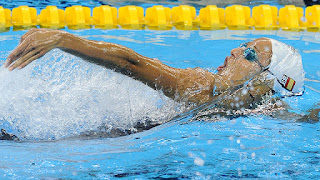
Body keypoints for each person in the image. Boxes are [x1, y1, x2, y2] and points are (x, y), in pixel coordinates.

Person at [2, 28, 316, 140]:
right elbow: (132, 63)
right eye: (243, 44)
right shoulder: (202, 87)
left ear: (264, 82)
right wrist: (63, 39)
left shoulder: (273, 111)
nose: (234, 50)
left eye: (248, 54)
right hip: (127, 134)